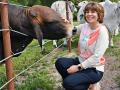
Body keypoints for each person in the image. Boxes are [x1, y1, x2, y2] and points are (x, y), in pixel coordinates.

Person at [55, 2, 109, 90]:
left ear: (99, 14)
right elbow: (73, 30)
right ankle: (74, 83)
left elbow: (97, 57)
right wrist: (65, 24)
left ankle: (90, 85)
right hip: (81, 60)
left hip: (94, 68)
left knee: (68, 83)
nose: (89, 14)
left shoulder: (102, 32)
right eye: (87, 12)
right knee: (60, 62)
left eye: (93, 12)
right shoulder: (85, 26)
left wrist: (77, 68)